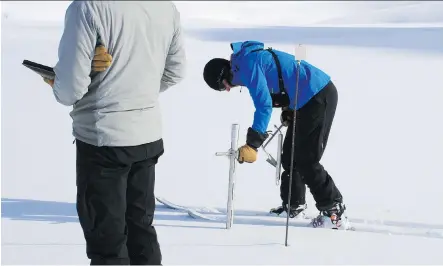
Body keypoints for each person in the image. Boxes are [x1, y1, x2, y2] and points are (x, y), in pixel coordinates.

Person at [43, 1, 186, 264]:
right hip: (147, 138)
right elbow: (175, 72)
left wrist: (58, 81)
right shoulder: (165, 6)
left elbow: (69, 90)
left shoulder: (88, 7)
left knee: (108, 243)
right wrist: (136, 93)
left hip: (104, 140)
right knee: (141, 232)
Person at [202, 40, 348, 229]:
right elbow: (283, 78)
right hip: (305, 100)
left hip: (318, 95)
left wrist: (252, 144)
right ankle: (294, 205)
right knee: (290, 156)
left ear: (224, 74)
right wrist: (290, 108)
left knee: (306, 159)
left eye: (222, 86)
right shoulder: (245, 62)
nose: (228, 89)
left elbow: (263, 105)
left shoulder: (247, 66)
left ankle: (333, 211)